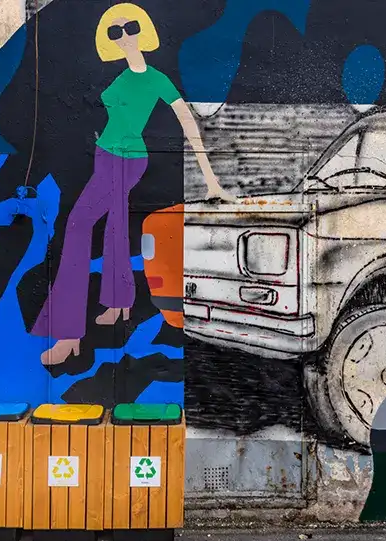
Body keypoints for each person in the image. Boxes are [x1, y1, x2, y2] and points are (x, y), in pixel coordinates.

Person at [32, 3, 233, 365]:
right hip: (107, 155)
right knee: (115, 226)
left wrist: (210, 178)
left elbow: (188, 122)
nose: (125, 36)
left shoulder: (156, 79)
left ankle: (68, 334)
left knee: (77, 226)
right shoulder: (122, 76)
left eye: (131, 28)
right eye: (116, 31)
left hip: (126, 159)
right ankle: (118, 302)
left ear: (144, 32)